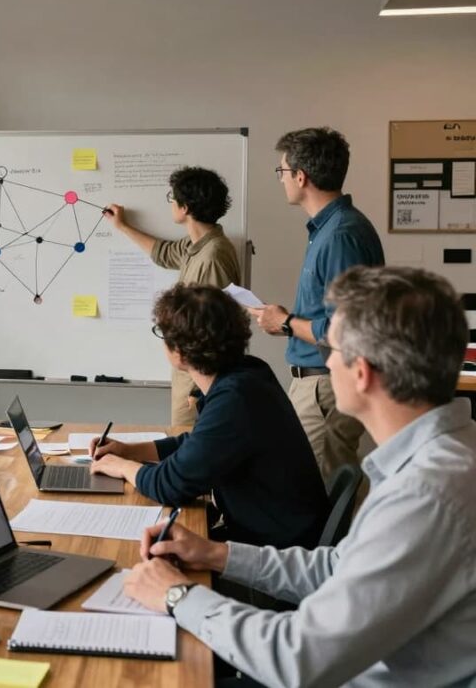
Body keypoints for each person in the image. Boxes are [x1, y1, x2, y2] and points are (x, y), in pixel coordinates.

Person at [124, 266, 476, 687]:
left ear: (361, 372)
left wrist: (176, 594)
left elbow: (297, 660)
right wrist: (216, 555)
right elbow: (340, 568)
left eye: (332, 349)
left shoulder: (425, 495)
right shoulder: (438, 461)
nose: (325, 360)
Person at [89, 285, 327, 549]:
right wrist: (128, 451)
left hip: (275, 550)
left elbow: (170, 485)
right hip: (277, 531)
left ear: (179, 351)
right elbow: (198, 445)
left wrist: (121, 467)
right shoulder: (247, 373)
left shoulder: (235, 397)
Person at [251, 128, 384, 478]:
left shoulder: (341, 235)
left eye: (282, 172)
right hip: (318, 383)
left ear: (301, 176)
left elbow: (346, 329)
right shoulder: (329, 229)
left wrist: (285, 322)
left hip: (325, 386)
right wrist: (285, 320)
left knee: (319, 494)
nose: (281, 180)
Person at [106, 167, 240, 426]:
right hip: (190, 376)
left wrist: (196, 392)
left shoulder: (213, 256)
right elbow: (164, 253)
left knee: (187, 448)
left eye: (172, 198)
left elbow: (211, 332)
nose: (171, 203)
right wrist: (122, 226)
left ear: (185, 208)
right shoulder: (196, 246)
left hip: (199, 382)